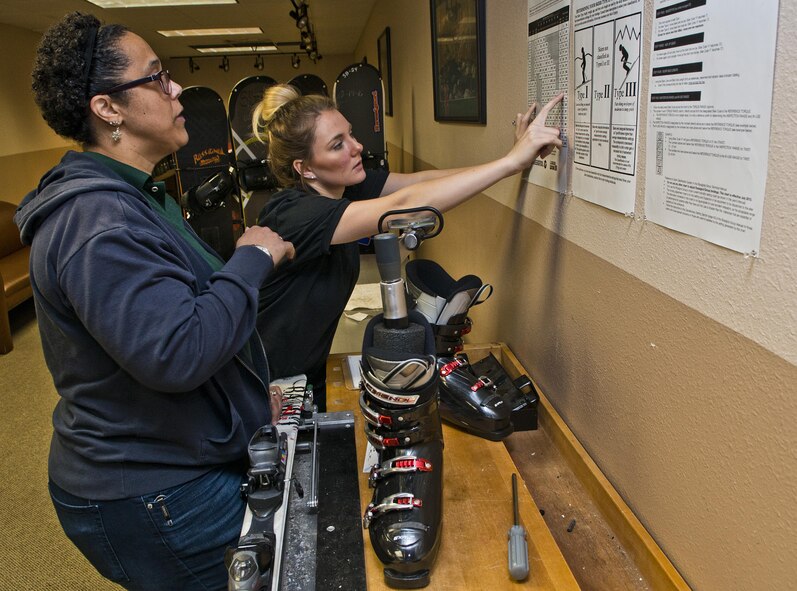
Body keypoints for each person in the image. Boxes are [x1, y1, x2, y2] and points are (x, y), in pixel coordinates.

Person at [14, 12, 294, 591]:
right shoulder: (99, 222)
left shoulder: (137, 195)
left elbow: (176, 310)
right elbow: (177, 352)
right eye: (157, 78)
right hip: (149, 492)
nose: (175, 92)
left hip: (175, 456)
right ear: (108, 108)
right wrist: (252, 258)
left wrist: (240, 398)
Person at [251, 84, 563, 410]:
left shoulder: (343, 186)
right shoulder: (292, 214)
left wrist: (511, 161)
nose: (357, 147)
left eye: (351, 135)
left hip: (304, 375)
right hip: (263, 381)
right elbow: (408, 205)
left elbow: (419, 184)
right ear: (306, 169)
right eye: (337, 144)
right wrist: (511, 164)